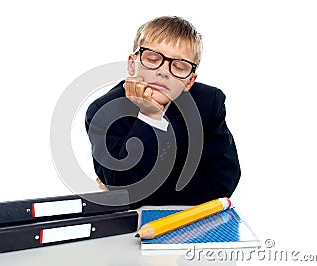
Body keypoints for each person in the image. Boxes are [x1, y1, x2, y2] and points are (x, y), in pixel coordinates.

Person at [85, 16, 240, 208]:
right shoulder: (103, 112)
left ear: (189, 81)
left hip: (192, 222)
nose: (164, 71)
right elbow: (123, 188)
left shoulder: (208, 103)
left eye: (179, 66)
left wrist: (144, 191)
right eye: (152, 59)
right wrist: (149, 117)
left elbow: (221, 185)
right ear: (132, 64)